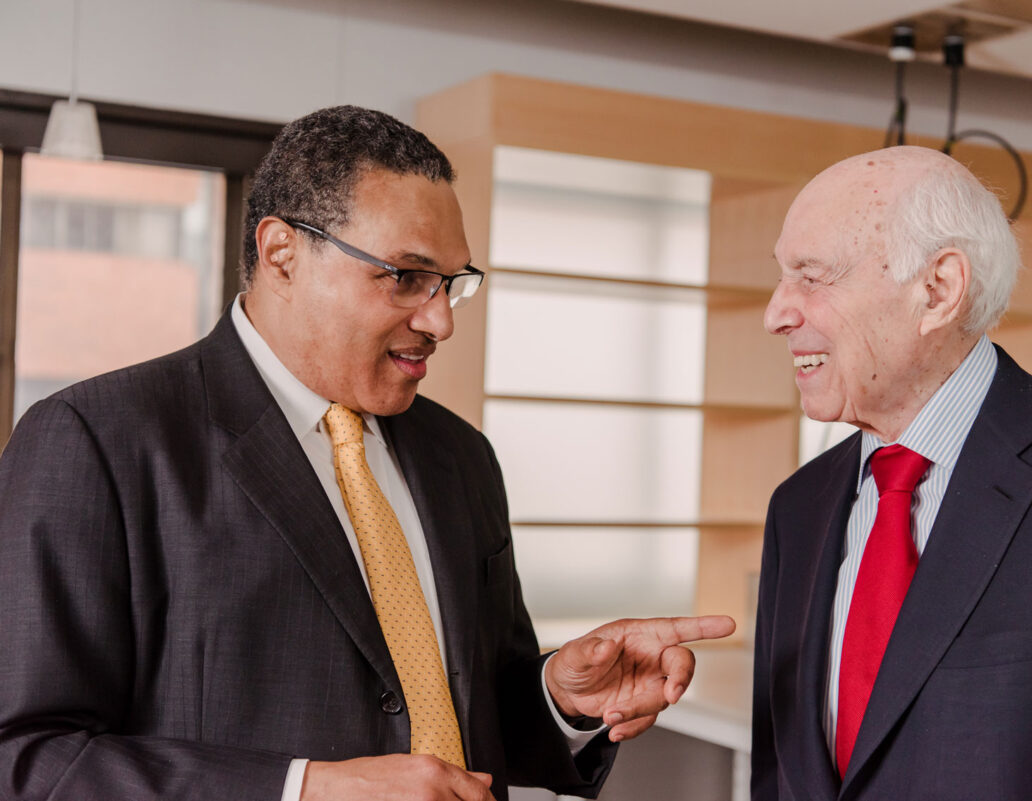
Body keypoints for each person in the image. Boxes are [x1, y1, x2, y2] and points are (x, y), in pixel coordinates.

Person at [0, 105, 734, 801]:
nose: (440, 318)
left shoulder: (462, 456)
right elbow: (25, 757)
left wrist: (561, 698)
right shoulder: (97, 440)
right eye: (405, 277)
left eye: (452, 283)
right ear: (281, 253)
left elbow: (471, 708)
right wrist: (308, 787)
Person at [753, 145, 1032, 800]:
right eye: (782, 277)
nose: (776, 312)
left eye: (812, 278)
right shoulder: (798, 508)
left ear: (938, 290)